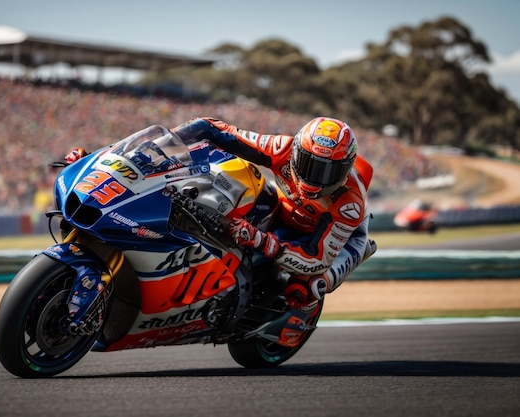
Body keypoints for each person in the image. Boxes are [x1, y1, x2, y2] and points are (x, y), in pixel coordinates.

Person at [64, 116, 376, 347]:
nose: (316, 177)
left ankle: (296, 319)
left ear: (344, 168)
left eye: (328, 170)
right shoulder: (282, 148)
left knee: (308, 286)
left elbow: (316, 258)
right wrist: (153, 150)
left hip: (336, 241)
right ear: (297, 153)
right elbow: (215, 129)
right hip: (282, 208)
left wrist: (261, 241)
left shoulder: (349, 204)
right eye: (309, 164)